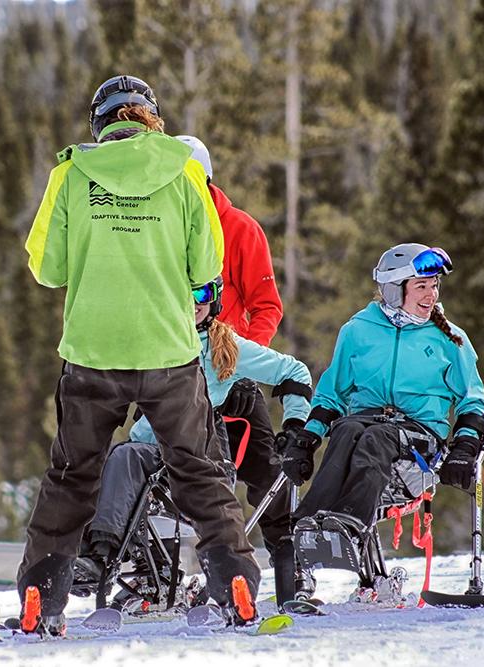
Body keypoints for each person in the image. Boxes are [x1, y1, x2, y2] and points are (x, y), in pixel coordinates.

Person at [20, 75, 260, 634]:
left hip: (93, 352)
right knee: (199, 473)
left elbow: (46, 268)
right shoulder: (183, 170)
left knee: (72, 477)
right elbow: (207, 267)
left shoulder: (71, 173)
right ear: (150, 116)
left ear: (100, 123)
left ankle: (41, 597)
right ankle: (237, 585)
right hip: (168, 352)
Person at [77, 277, 311, 601]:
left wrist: (295, 423)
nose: (194, 302)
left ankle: (230, 583)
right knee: (121, 458)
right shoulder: (151, 339)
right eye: (183, 293)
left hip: (202, 450)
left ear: (214, 299)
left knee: (206, 492)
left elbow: (294, 372)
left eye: (201, 293)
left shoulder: (225, 345)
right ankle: (100, 559)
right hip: (153, 445)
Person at [282, 243, 484, 559]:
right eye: (421, 286)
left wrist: (464, 446)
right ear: (394, 289)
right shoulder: (358, 331)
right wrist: (309, 436)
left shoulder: (450, 338)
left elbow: (473, 399)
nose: (431, 294)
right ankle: (310, 523)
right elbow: (332, 392)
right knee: (347, 430)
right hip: (365, 420)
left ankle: (350, 523)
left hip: (420, 437)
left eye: (434, 285)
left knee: (375, 438)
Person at [174, 135, 299, 602]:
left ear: (205, 181)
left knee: (266, 472)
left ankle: (290, 577)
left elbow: (267, 305)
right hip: (175, 374)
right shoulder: (164, 229)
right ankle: (151, 580)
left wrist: (243, 356)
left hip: (231, 373)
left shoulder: (239, 228)